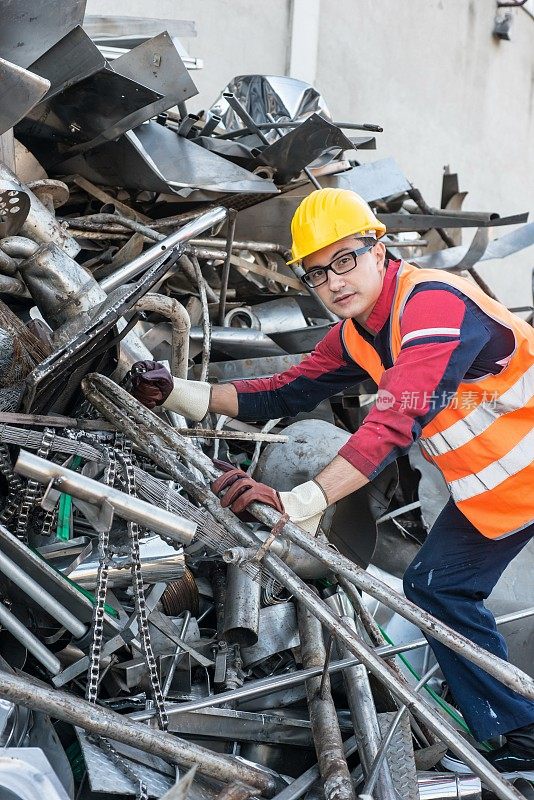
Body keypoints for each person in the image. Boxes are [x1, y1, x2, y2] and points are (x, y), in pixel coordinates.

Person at [131, 188, 534, 771]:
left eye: (345, 259)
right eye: (317, 273)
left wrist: (301, 500)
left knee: (438, 588)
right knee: (435, 589)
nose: (335, 281)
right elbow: (286, 389)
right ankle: (523, 739)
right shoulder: (358, 333)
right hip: (498, 493)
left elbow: (395, 417)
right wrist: (179, 392)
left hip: (520, 478)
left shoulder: (433, 307)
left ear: (380, 249)